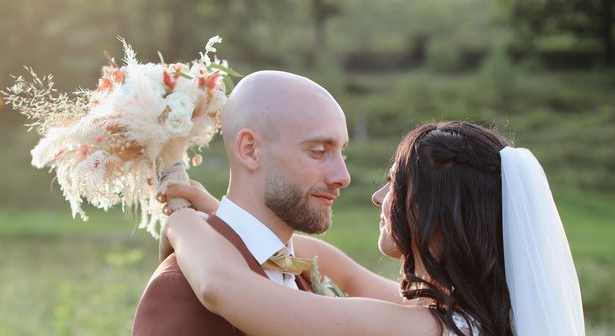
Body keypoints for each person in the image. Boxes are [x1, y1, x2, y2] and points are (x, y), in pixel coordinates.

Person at [161, 121, 585, 335]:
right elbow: (335, 269)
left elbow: (223, 289)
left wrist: (181, 221)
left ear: (441, 216)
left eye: (397, 186)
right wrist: (220, 211)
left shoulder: (421, 329)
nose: (378, 198)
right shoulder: (468, 318)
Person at [132, 70, 356, 335]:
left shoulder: (303, 275)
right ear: (249, 150)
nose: (343, 177)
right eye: (319, 152)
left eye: (342, 153)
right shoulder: (181, 286)